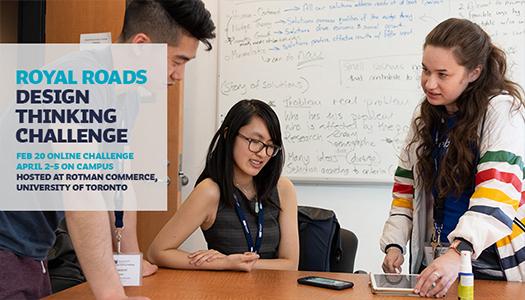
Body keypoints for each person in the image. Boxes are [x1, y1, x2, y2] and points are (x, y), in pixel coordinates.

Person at [0, 0, 215, 299]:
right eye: (177, 61)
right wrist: (113, 296)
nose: (179, 75)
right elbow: (83, 196)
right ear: (141, 45)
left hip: (33, 249)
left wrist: (131, 262)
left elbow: (120, 188)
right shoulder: (77, 82)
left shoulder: (126, 96)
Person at [380, 18, 525, 298]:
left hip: (492, 266)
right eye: (425, 70)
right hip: (438, 261)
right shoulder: (426, 117)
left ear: (473, 72)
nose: (429, 83)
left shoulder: (501, 111)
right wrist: (394, 244)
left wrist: (458, 253)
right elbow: (405, 189)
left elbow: (497, 194)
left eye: (442, 74)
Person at [148, 99, 299, 271]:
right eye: (255, 141)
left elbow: (290, 264)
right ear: (229, 134)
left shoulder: (282, 189)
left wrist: (235, 262)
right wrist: (224, 263)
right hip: (225, 291)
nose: (263, 154)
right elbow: (157, 251)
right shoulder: (210, 191)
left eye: (270, 146)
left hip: (273, 292)